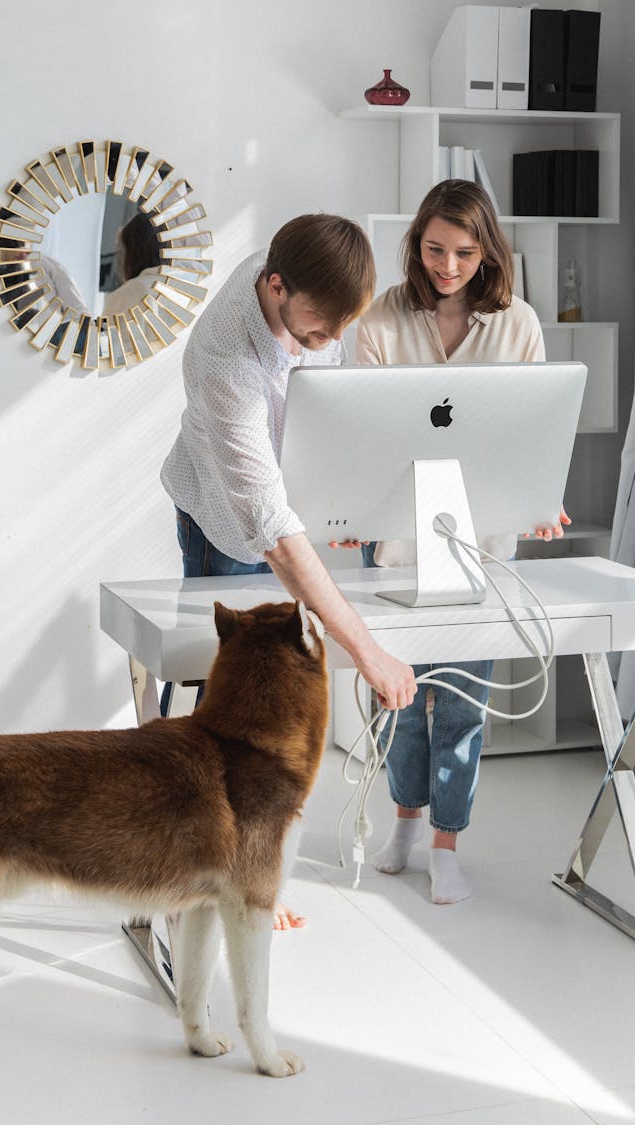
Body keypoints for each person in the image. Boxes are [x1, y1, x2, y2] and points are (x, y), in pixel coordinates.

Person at [160, 213, 418, 929]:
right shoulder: (226, 363)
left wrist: (336, 513)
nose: (329, 344)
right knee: (222, 709)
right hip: (224, 519)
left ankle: (251, 864)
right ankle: (201, 874)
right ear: (274, 286)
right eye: (318, 328)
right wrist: (365, 650)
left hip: (283, 502)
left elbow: (325, 413)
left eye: (341, 328)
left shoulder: (296, 278)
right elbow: (269, 529)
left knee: (279, 702)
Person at [353, 179, 569, 905]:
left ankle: (448, 843)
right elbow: (366, 429)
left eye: (465, 252)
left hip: (480, 541)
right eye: (436, 249)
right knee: (404, 700)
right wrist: (351, 504)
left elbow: (529, 428)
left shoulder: (519, 323)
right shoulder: (382, 318)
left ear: (487, 251)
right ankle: (405, 823)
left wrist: (541, 499)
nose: (448, 265)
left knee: (466, 703)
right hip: (400, 542)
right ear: (416, 242)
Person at [103, 212, 162, 316]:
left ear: (133, 252)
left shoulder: (127, 294)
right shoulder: (181, 286)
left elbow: (104, 331)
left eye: (121, 251)